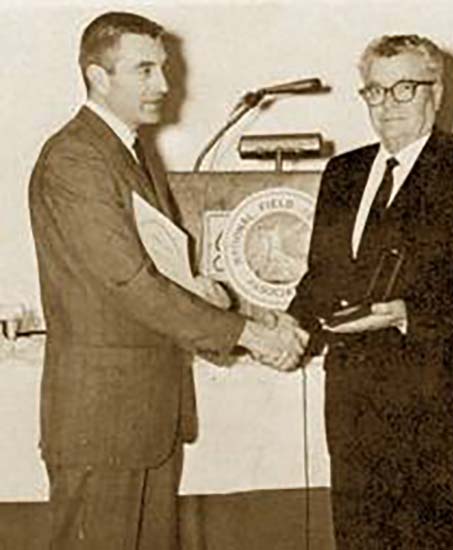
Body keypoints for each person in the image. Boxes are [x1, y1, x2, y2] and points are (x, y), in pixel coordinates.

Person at [28, 12, 307, 550]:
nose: (163, 84)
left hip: (143, 418)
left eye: (162, 68)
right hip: (102, 425)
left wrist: (221, 300)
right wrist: (249, 335)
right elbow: (130, 283)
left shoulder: (131, 152)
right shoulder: (75, 158)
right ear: (98, 76)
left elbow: (158, 270)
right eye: (145, 69)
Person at [288, 34, 453, 550]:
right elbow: (320, 277)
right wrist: (286, 326)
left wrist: (407, 313)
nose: (388, 104)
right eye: (375, 91)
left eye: (404, 88)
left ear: (436, 93)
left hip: (440, 404)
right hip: (352, 404)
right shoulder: (342, 172)